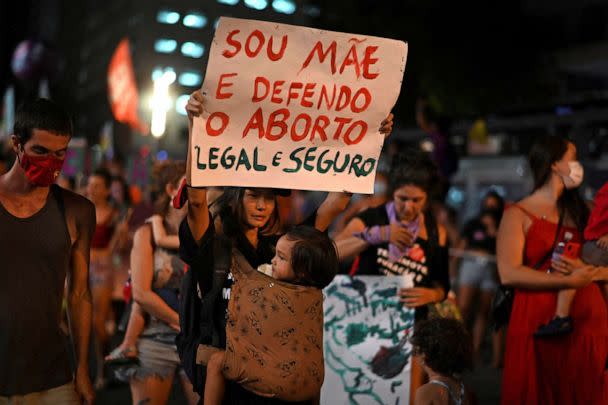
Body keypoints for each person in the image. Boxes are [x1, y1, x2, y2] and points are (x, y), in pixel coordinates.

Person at [178, 90, 393, 404]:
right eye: (254, 195)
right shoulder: (215, 251)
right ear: (236, 197)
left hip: (279, 388)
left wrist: (372, 139)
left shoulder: (284, 248)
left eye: (269, 197)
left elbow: (335, 203)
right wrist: (196, 128)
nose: (263, 205)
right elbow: (196, 202)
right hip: (230, 390)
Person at [497, 136, 608, 404]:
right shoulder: (518, 213)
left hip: (587, 323)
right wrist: (567, 280)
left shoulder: (587, 212)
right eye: (573, 157)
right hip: (537, 319)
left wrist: (588, 273)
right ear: (555, 165)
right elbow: (509, 273)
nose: (578, 165)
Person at [335, 149, 450, 403]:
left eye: (417, 200)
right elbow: (332, 252)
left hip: (411, 331)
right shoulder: (370, 219)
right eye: (402, 199)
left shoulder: (435, 232)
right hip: (365, 324)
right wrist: (379, 235)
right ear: (391, 195)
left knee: (404, 397)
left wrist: (431, 294)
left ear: (427, 199)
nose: (409, 206)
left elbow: (443, 284)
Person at [0, 99, 95, 403]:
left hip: (52, 375)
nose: (50, 162)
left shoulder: (77, 210)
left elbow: (79, 294)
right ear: (17, 144)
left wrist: (82, 370)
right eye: (40, 151)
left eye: (60, 153)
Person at [203, 226, 339, 405]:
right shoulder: (315, 295)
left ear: (302, 270)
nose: (273, 261)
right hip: (306, 386)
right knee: (310, 366)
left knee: (216, 361)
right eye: (275, 254)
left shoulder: (272, 291)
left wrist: (231, 250)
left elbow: (245, 275)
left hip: (273, 380)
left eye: (281, 258)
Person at [126, 160, 199, 405]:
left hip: (199, 342)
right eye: (192, 185)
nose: (200, 192)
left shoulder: (209, 233)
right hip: (156, 338)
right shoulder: (149, 233)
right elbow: (141, 293)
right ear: (171, 189)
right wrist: (181, 321)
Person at [534, 177, 608, 337]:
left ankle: (562, 317)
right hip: (595, 245)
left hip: (598, 247)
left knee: (570, 266)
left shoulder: (587, 206)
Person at [86, 167, 128, 387]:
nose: (91, 190)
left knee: (97, 323)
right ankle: (82, 371)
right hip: (80, 269)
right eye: (89, 185)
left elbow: (117, 250)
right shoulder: (80, 210)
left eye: (96, 186)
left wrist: (122, 236)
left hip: (102, 272)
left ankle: (102, 370)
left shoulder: (114, 215)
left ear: (106, 190)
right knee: (79, 322)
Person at [456, 191, 504, 366]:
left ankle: (475, 351)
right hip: (471, 265)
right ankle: (458, 349)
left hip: (490, 268)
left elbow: (504, 249)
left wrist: (493, 231)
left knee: (483, 311)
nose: (490, 209)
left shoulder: (501, 226)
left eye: (494, 205)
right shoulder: (472, 223)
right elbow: (460, 247)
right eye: (487, 204)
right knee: (464, 308)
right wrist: (454, 269)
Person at [410, 318, 475, 405]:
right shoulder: (463, 389)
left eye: (416, 351)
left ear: (424, 356)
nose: (415, 355)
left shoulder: (425, 392)